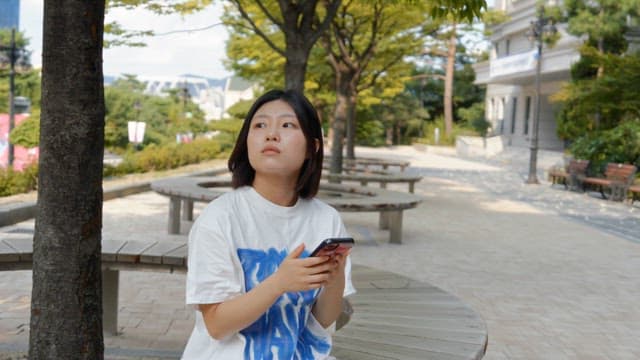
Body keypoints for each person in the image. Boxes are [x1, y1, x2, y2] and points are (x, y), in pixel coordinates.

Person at [182, 89, 356, 359]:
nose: (271, 134)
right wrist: (279, 283)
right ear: (246, 141)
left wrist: (335, 279)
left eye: (287, 125)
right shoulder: (220, 218)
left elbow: (322, 320)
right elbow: (216, 324)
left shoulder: (326, 219)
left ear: (313, 147)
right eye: (260, 125)